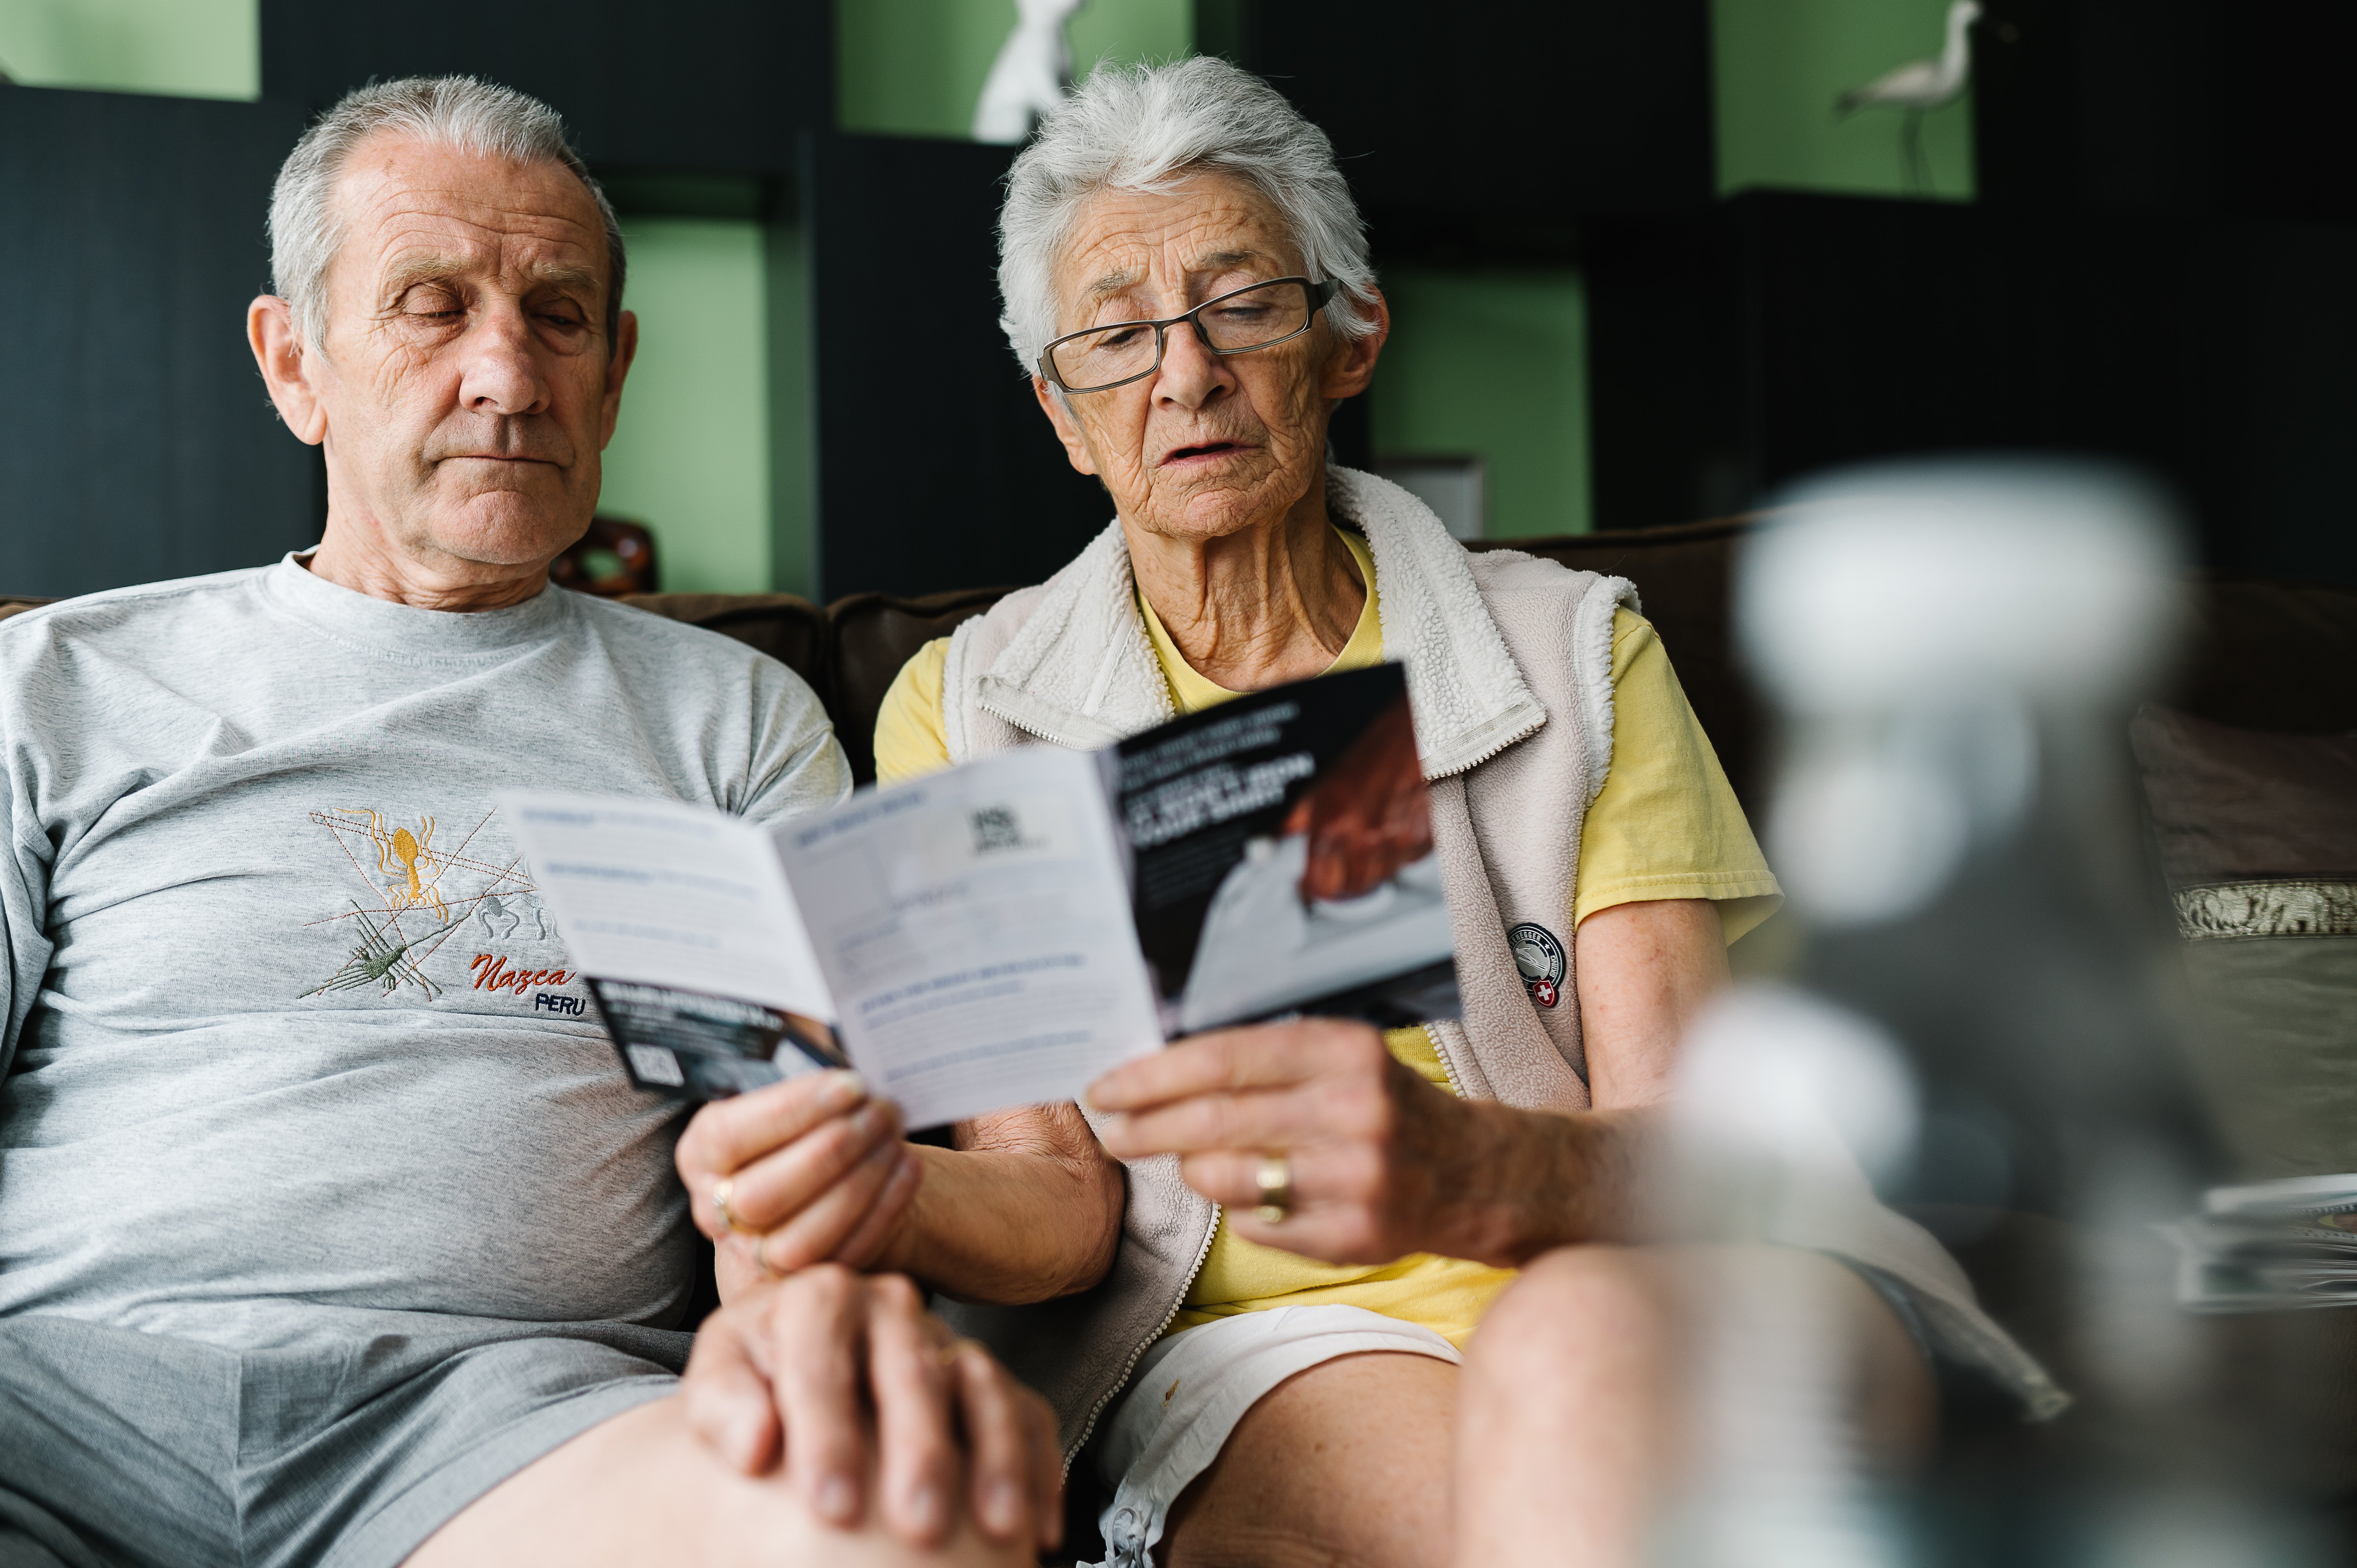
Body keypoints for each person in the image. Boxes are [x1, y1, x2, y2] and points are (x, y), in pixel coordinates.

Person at [684, 57, 2062, 1568]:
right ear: (1062, 414)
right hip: (1291, 1342)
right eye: (1118, 337)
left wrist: (1469, 1164)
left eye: (1244, 305)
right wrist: (862, 1180)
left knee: (1574, 1348)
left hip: (1667, 1275)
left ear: (1350, 338)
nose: (1186, 374)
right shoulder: (970, 707)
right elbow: (1062, 1205)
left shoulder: (1573, 650)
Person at [0, 77, 1061, 1568]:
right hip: (48, 1404)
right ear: (294, 359)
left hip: (513, 1431)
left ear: (615, 371)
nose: (507, 374)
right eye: (431, 306)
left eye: (558, 317)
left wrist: (799, 1331)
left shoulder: (732, 726)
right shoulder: (54, 683)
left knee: (888, 1519)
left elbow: (786, 1153)